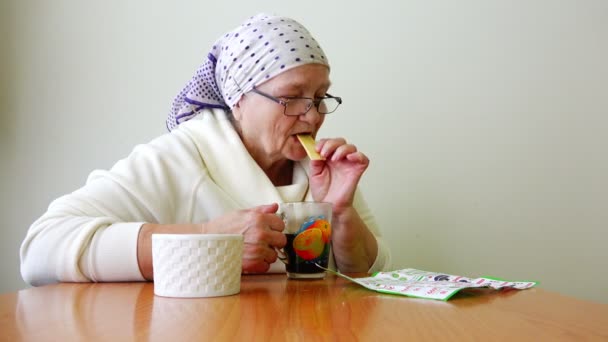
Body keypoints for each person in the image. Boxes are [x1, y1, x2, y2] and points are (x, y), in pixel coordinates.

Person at [20, 13, 390, 285]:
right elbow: (41, 250)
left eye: (321, 96)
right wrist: (207, 239)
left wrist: (341, 213)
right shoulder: (180, 157)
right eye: (292, 98)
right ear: (238, 100)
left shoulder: (321, 171)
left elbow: (375, 276)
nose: (312, 117)